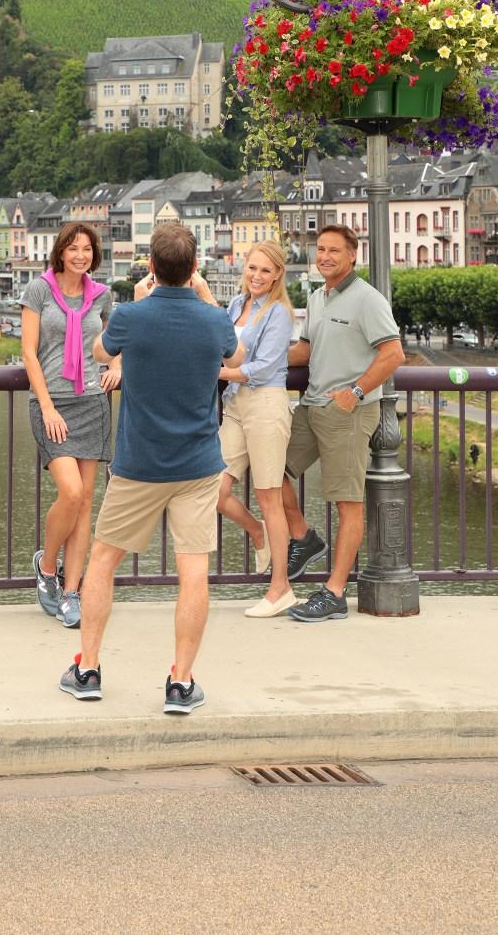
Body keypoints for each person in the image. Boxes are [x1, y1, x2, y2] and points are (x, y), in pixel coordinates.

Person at [59, 224, 244, 713]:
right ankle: (180, 683)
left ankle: (89, 668)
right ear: (195, 266)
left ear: (152, 266)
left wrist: (139, 300)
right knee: (194, 570)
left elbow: (101, 352)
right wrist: (203, 296)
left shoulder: (132, 316)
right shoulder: (213, 319)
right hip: (199, 464)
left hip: (139, 464)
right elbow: (238, 354)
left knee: (102, 564)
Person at [283, 224, 405, 622]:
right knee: (271, 471)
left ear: (353, 256)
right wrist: (251, 360)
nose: (325, 257)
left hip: (347, 412)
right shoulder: (319, 296)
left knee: (347, 502)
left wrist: (353, 393)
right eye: (320, 249)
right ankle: (304, 537)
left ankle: (334, 593)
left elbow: (393, 354)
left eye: (334, 251)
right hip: (311, 405)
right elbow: (306, 349)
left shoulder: (367, 299)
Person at [21, 223, 120, 628]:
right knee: (72, 492)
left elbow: (117, 341)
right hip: (53, 405)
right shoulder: (40, 290)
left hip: (93, 403)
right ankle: (47, 567)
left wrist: (117, 364)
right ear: (60, 252)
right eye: (73, 248)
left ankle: (73, 591)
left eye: (87, 249)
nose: (80, 255)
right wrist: (47, 407)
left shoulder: (102, 295)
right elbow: (28, 352)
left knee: (85, 505)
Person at [216, 240, 297, 619]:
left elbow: (264, 367)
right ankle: (258, 531)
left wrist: (221, 372)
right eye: (252, 268)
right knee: (211, 488)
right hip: (235, 404)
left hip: (265, 404)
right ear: (243, 267)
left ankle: (280, 588)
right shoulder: (235, 306)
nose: (257, 276)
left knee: (269, 497)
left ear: (278, 274)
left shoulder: (279, 313)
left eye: (266, 270)